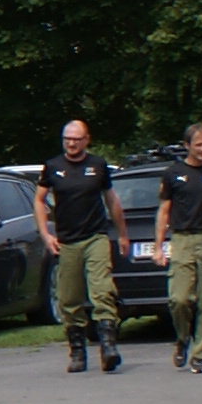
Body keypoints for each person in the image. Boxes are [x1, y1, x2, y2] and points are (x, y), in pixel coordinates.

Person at [38, 119, 123, 375]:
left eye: (76, 139)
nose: (71, 143)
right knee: (69, 298)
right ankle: (77, 351)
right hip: (67, 241)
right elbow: (39, 200)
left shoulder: (98, 165)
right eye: (67, 139)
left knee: (102, 290)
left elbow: (111, 200)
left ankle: (108, 347)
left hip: (95, 236)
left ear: (86, 140)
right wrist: (46, 234)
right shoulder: (53, 167)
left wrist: (123, 234)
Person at [149, 124, 202, 374]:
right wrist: (158, 246)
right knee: (179, 299)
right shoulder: (173, 173)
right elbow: (164, 211)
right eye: (199, 145)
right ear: (187, 146)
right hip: (182, 240)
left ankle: (200, 355)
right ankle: (182, 337)